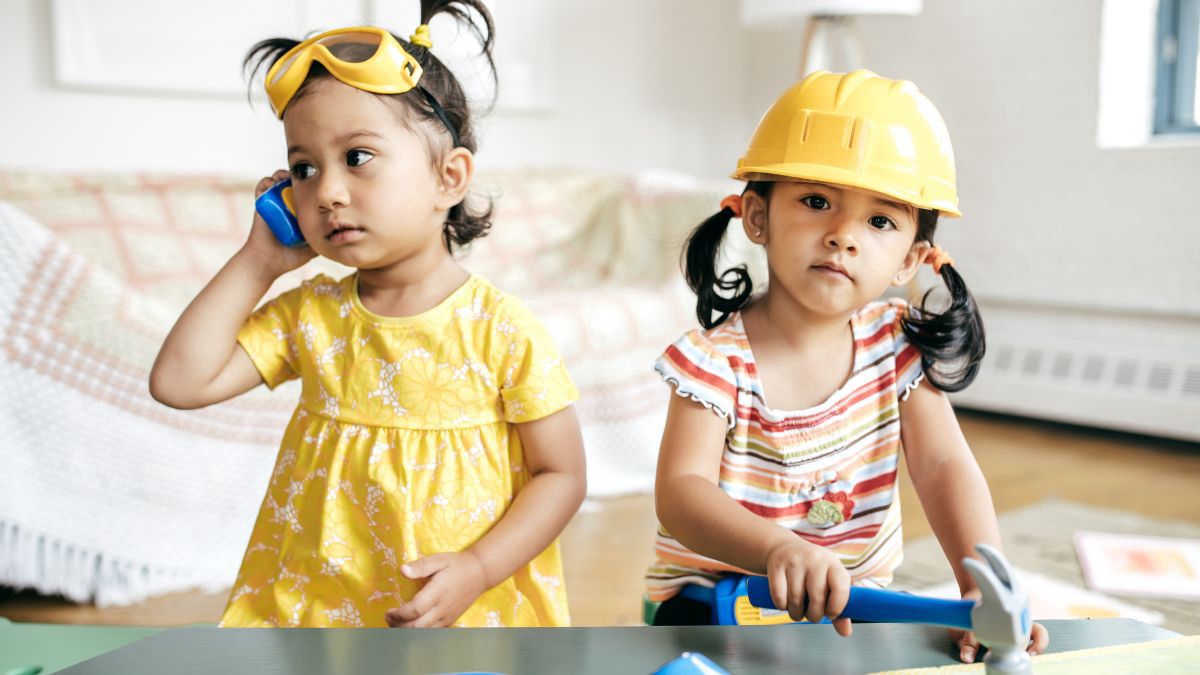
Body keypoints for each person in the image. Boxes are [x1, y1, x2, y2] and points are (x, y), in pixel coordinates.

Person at [149, 0, 586, 628]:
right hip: (317, 610)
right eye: (303, 168)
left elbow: (561, 474)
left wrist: (482, 568)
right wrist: (258, 261)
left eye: (357, 157)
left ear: (449, 177)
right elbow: (179, 383)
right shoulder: (311, 317)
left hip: (455, 606)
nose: (325, 191)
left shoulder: (502, 329)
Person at [646, 70, 1048, 662]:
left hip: (857, 603)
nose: (843, 236)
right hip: (716, 600)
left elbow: (942, 466)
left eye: (879, 220)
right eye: (816, 202)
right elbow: (681, 492)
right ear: (758, 218)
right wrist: (777, 549)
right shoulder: (713, 361)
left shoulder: (897, 345)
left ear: (910, 258)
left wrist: (979, 585)